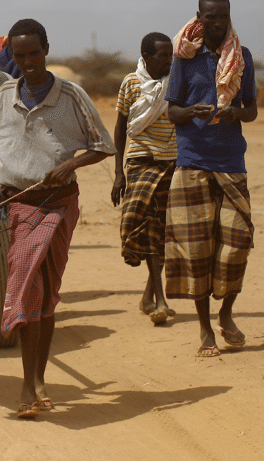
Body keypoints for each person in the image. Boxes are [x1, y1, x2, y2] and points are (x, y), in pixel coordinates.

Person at [0, 18, 115, 419]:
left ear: (46, 49)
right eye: (20, 55)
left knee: (44, 296)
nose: (27, 62)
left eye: (34, 53)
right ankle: (28, 386)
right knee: (32, 291)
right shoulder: (5, 95)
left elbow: (102, 145)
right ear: (12, 55)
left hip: (61, 205)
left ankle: (37, 381)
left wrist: (71, 165)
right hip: (21, 207)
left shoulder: (71, 96)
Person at [165, 0, 257, 357]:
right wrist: (192, 112)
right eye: (210, 18)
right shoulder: (184, 59)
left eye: (223, 17)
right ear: (199, 18)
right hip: (191, 162)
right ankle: (204, 327)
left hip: (232, 163)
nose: (217, 24)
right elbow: (171, 111)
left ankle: (227, 312)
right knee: (196, 250)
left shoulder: (242, 58)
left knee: (236, 245)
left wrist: (235, 113)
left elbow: (251, 109)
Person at [111, 32, 176, 326]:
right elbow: (121, 126)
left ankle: (153, 297)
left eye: (170, 55)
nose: (168, 60)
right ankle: (157, 298)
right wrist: (117, 174)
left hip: (172, 163)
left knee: (161, 230)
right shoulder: (130, 83)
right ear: (146, 57)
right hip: (140, 161)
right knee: (137, 220)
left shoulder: (176, 83)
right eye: (163, 56)